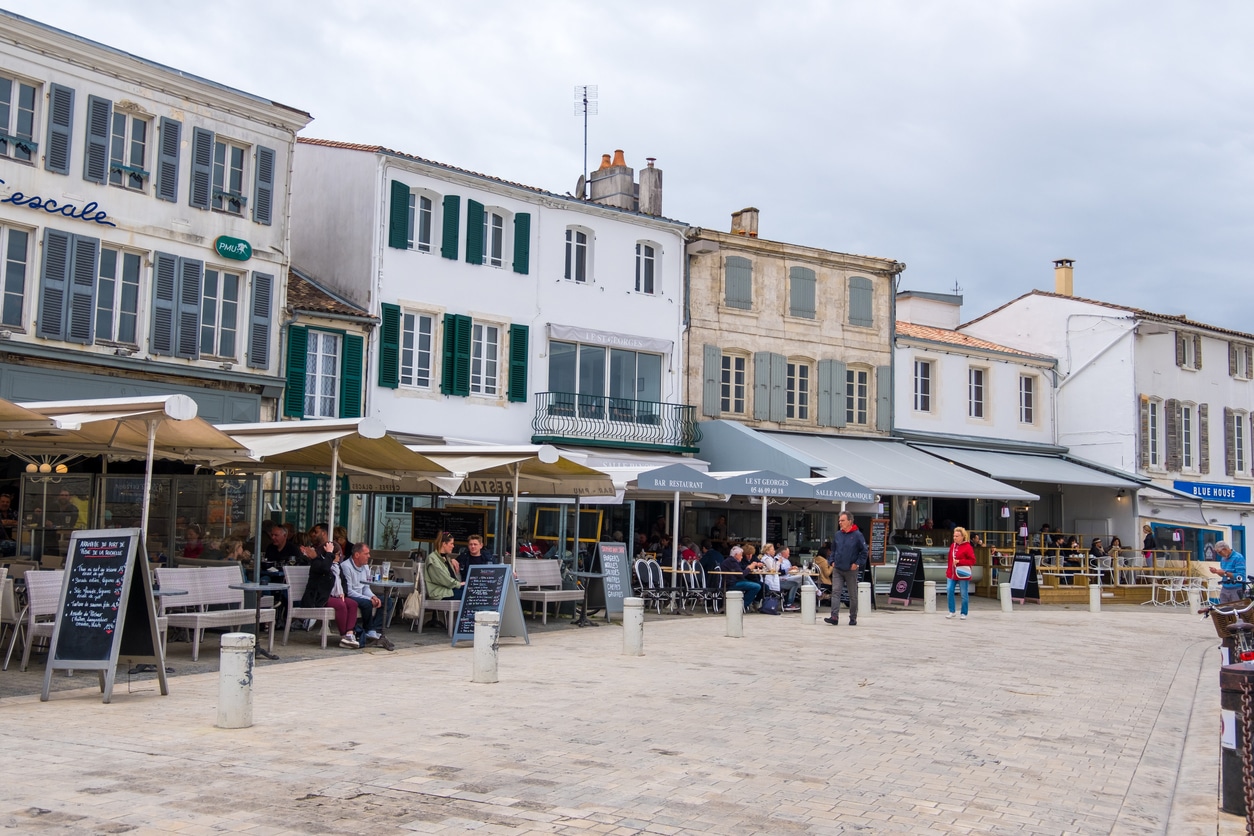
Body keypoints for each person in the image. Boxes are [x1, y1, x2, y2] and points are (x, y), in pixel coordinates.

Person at [301, 525, 359, 648]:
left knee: (352, 603)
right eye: (337, 555)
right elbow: (325, 569)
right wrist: (329, 554)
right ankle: (344, 636)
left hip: (334, 595)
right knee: (341, 605)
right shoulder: (317, 563)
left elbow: (343, 582)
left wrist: (343, 592)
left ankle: (349, 633)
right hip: (318, 597)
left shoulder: (337, 567)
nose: (340, 558)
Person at [341, 543, 394, 650]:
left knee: (387, 601)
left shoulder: (365, 567)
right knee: (367, 603)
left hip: (362, 595)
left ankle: (376, 630)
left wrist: (373, 597)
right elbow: (349, 591)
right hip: (350, 596)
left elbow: (365, 587)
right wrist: (369, 599)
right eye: (366, 554)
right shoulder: (346, 566)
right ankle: (369, 629)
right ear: (357, 555)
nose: (369, 556)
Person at [825, 512, 867, 626]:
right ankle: (834, 616)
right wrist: (832, 561)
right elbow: (833, 549)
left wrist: (857, 563)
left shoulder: (857, 535)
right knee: (836, 592)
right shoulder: (838, 534)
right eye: (839, 521)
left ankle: (853, 617)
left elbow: (864, 552)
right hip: (838, 568)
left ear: (850, 521)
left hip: (850, 569)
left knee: (852, 594)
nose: (840, 523)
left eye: (842, 520)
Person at [946, 526, 977, 620]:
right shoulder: (952, 546)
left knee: (964, 594)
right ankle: (952, 611)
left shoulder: (968, 547)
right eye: (954, 536)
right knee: (949, 590)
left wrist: (960, 561)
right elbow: (949, 560)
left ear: (963, 536)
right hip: (951, 573)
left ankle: (964, 612)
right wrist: (948, 570)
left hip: (962, 573)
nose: (955, 538)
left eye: (957, 536)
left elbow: (972, 561)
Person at [718, 545, 762, 612]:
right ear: (736, 555)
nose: (742, 557)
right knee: (756, 586)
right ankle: (741, 605)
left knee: (754, 585)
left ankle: (743, 603)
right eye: (741, 555)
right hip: (731, 583)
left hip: (732, 582)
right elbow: (741, 574)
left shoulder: (731, 561)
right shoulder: (732, 561)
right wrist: (749, 568)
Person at [426, 531, 465, 603]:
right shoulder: (433, 559)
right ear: (444, 544)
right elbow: (444, 579)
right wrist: (459, 584)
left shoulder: (446, 558)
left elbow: (453, 577)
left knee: (471, 591)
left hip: (448, 590)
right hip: (440, 593)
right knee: (470, 595)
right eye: (451, 543)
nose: (453, 546)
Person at [0, 492, 17, 556]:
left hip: (8, 539)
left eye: (7, 502)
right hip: (1, 540)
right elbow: (2, 523)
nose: (5, 504)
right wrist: (12, 522)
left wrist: (7, 522)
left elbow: (22, 521)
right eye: (3, 501)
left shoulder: (12, 512)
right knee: (17, 546)